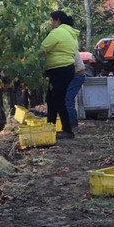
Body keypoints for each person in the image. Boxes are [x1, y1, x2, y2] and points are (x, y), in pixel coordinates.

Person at [39, 10, 79, 139]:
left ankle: (67, 130)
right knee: (51, 99)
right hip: (65, 70)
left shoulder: (57, 32)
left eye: (51, 20)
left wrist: (27, 58)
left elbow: (43, 48)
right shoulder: (69, 33)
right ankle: (50, 128)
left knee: (57, 100)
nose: (50, 23)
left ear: (57, 20)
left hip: (59, 70)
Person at [64, 47, 87, 129]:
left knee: (68, 98)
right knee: (68, 98)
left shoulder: (66, 48)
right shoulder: (68, 44)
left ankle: (72, 123)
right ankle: (72, 122)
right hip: (78, 74)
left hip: (77, 75)